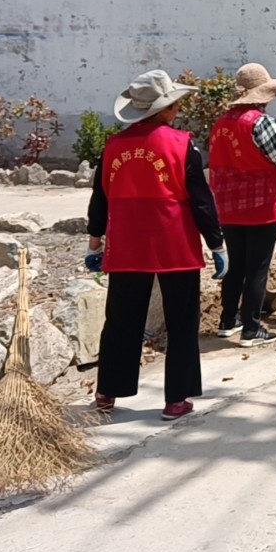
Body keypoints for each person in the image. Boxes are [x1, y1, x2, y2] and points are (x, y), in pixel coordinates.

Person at [87, 70, 227, 419]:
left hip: (126, 246)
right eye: (175, 102)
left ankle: (107, 392)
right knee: (181, 321)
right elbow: (201, 201)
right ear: (164, 109)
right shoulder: (183, 146)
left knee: (120, 319)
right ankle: (175, 399)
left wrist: (94, 243)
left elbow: (99, 199)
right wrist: (217, 244)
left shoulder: (112, 147)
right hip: (173, 245)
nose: (178, 106)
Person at [207, 63, 276, 348]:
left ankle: (228, 320)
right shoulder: (258, 122)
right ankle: (251, 326)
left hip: (227, 205)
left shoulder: (222, 123)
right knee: (258, 266)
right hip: (262, 204)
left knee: (236, 264)